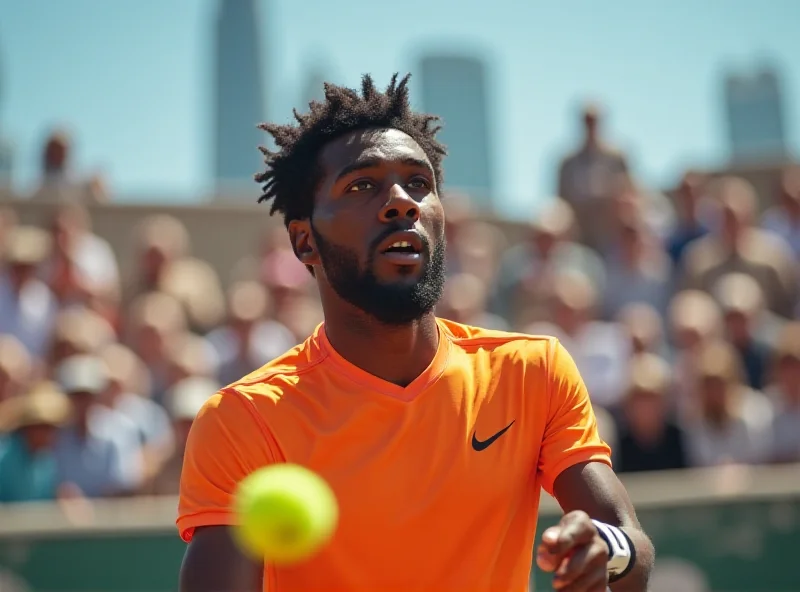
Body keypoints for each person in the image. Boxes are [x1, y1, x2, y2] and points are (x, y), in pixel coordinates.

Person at [178, 74, 654, 592]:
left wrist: (605, 550)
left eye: (419, 183)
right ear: (303, 241)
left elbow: (631, 543)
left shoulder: (532, 371)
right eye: (362, 185)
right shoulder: (242, 420)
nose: (402, 202)